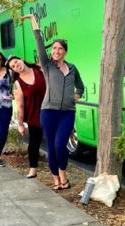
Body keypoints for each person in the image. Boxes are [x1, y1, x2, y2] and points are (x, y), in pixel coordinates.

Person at [20, 14, 84, 190]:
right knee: (51, 146)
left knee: (59, 145)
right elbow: (39, 41)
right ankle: (58, 179)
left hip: (67, 113)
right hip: (48, 112)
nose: (55, 51)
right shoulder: (47, 65)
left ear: (65, 51)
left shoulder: (72, 68)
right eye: (54, 48)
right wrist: (33, 19)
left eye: (59, 49)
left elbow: (81, 86)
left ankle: (62, 175)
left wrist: (77, 95)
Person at [5, 55, 46, 179]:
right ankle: (33, 170)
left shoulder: (39, 69)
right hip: (35, 116)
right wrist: (20, 124)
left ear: (22, 59)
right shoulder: (17, 83)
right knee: (34, 143)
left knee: (56, 142)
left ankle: (60, 171)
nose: (16, 66)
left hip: (51, 111)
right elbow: (20, 105)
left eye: (16, 62)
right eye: (13, 66)